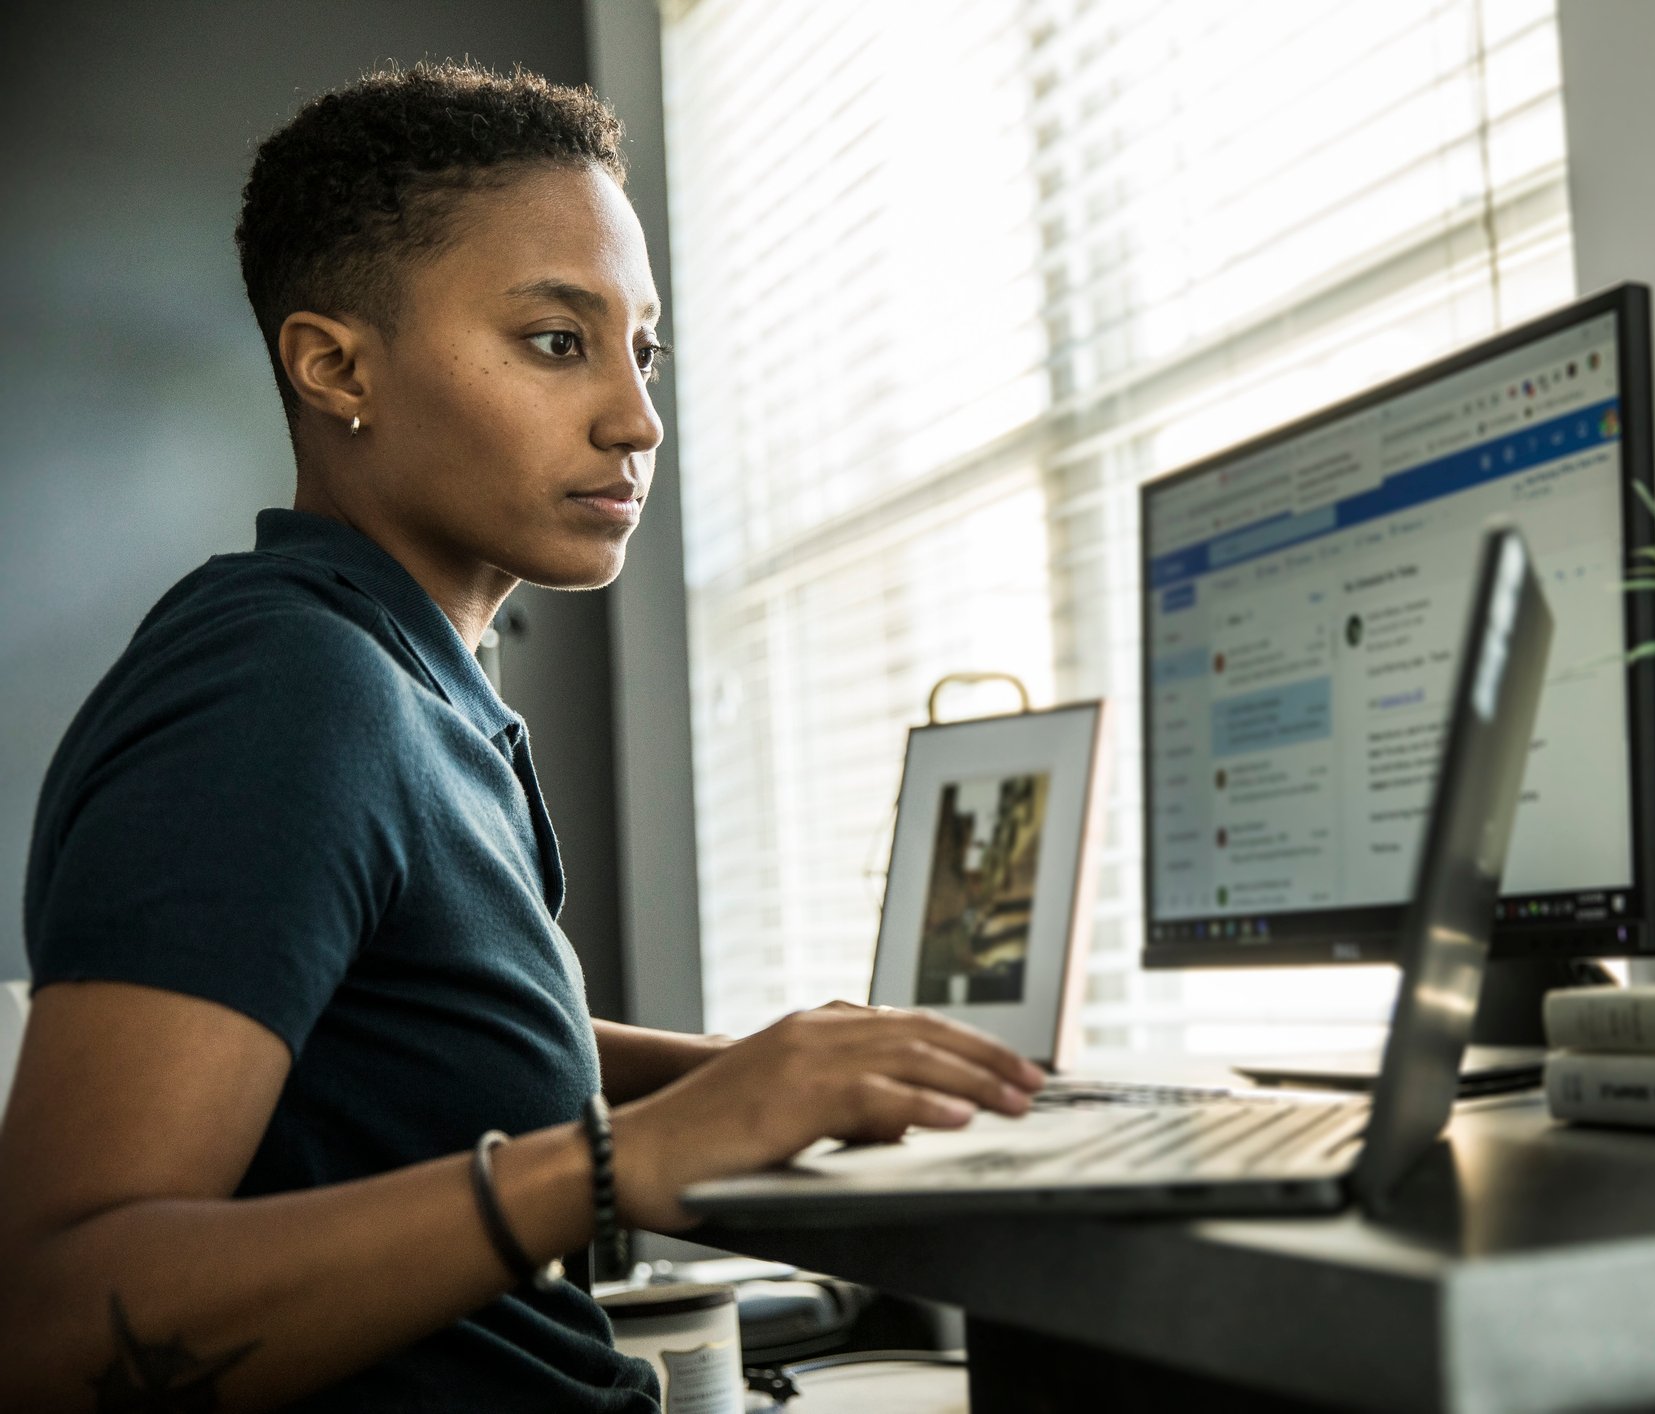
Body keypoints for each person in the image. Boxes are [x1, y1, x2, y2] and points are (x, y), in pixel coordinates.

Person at [0, 62, 1041, 1412]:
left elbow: (405, 1033)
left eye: (641, 348)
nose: (637, 418)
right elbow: (48, 1321)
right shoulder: (284, 688)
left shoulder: (407, 680)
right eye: (558, 341)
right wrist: (613, 1164)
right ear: (333, 366)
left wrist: (762, 1071)